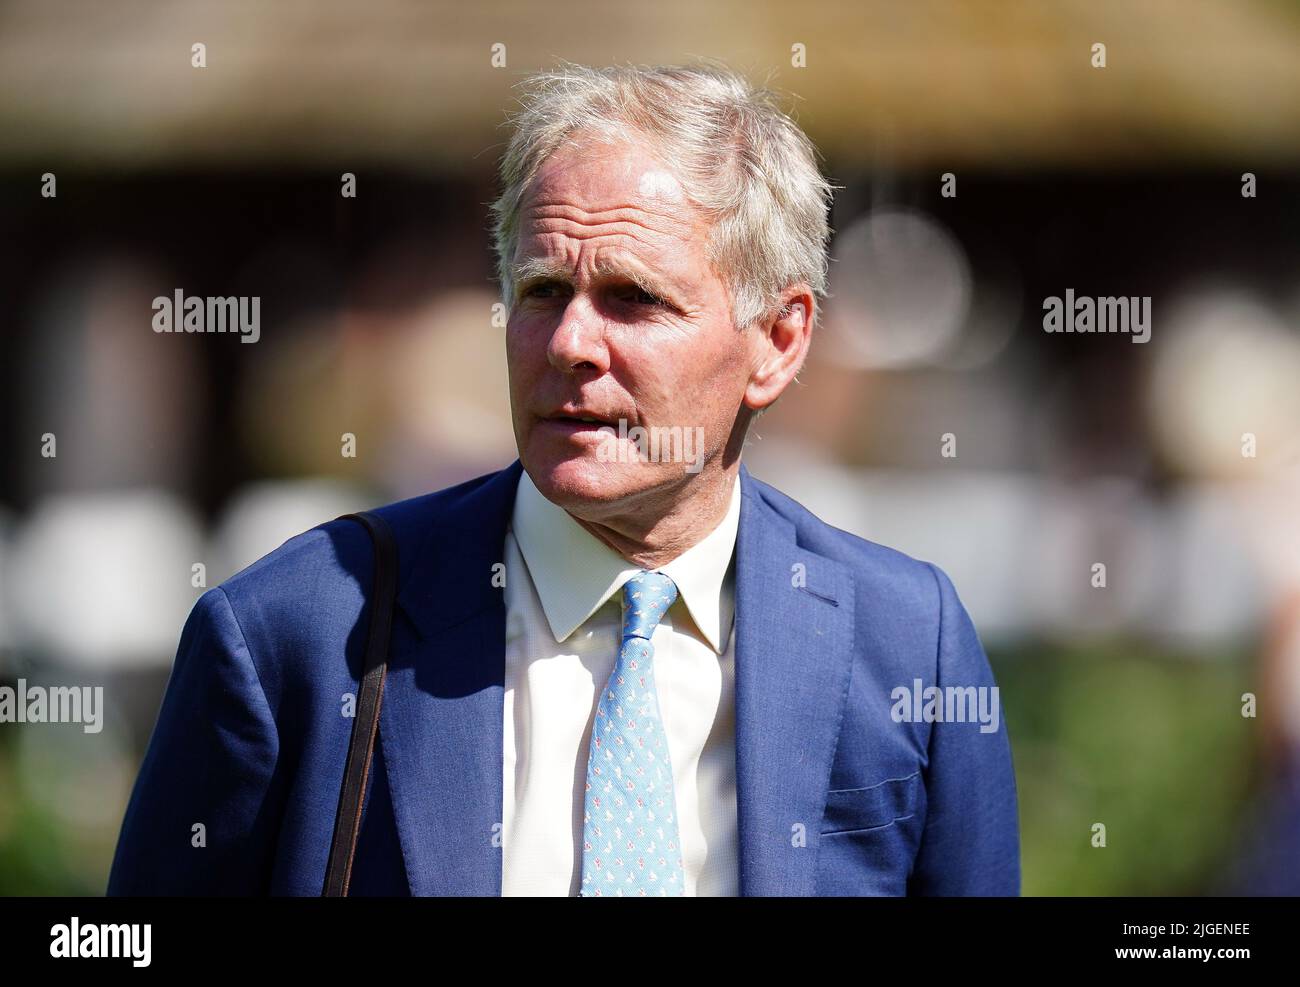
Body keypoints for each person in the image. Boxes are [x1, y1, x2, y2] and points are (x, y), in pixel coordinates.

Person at [107, 61, 1019, 896]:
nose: (571, 343)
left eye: (633, 298)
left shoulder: (906, 641)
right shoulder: (297, 633)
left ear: (778, 342)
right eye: (542, 291)